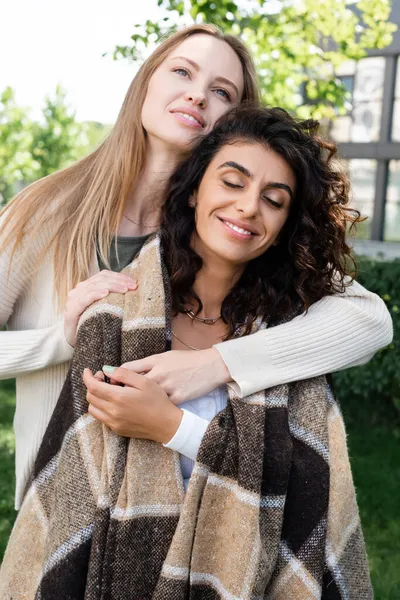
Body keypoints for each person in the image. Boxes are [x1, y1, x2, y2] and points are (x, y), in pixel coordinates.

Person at [0, 24, 392, 513]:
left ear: (234, 119)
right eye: (182, 71)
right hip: (60, 497)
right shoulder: (46, 210)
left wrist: (214, 366)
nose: (197, 95)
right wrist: (59, 339)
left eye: (221, 91)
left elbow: (369, 318)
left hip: (185, 505)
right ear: (146, 82)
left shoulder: (223, 225)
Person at [1, 106, 373, 599]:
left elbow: (304, 488)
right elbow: (77, 484)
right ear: (196, 188)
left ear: (286, 223)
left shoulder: (293, 334)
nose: (247, 207)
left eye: (274, 200)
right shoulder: (114, 317)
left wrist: (172, 427)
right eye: (232, 182)